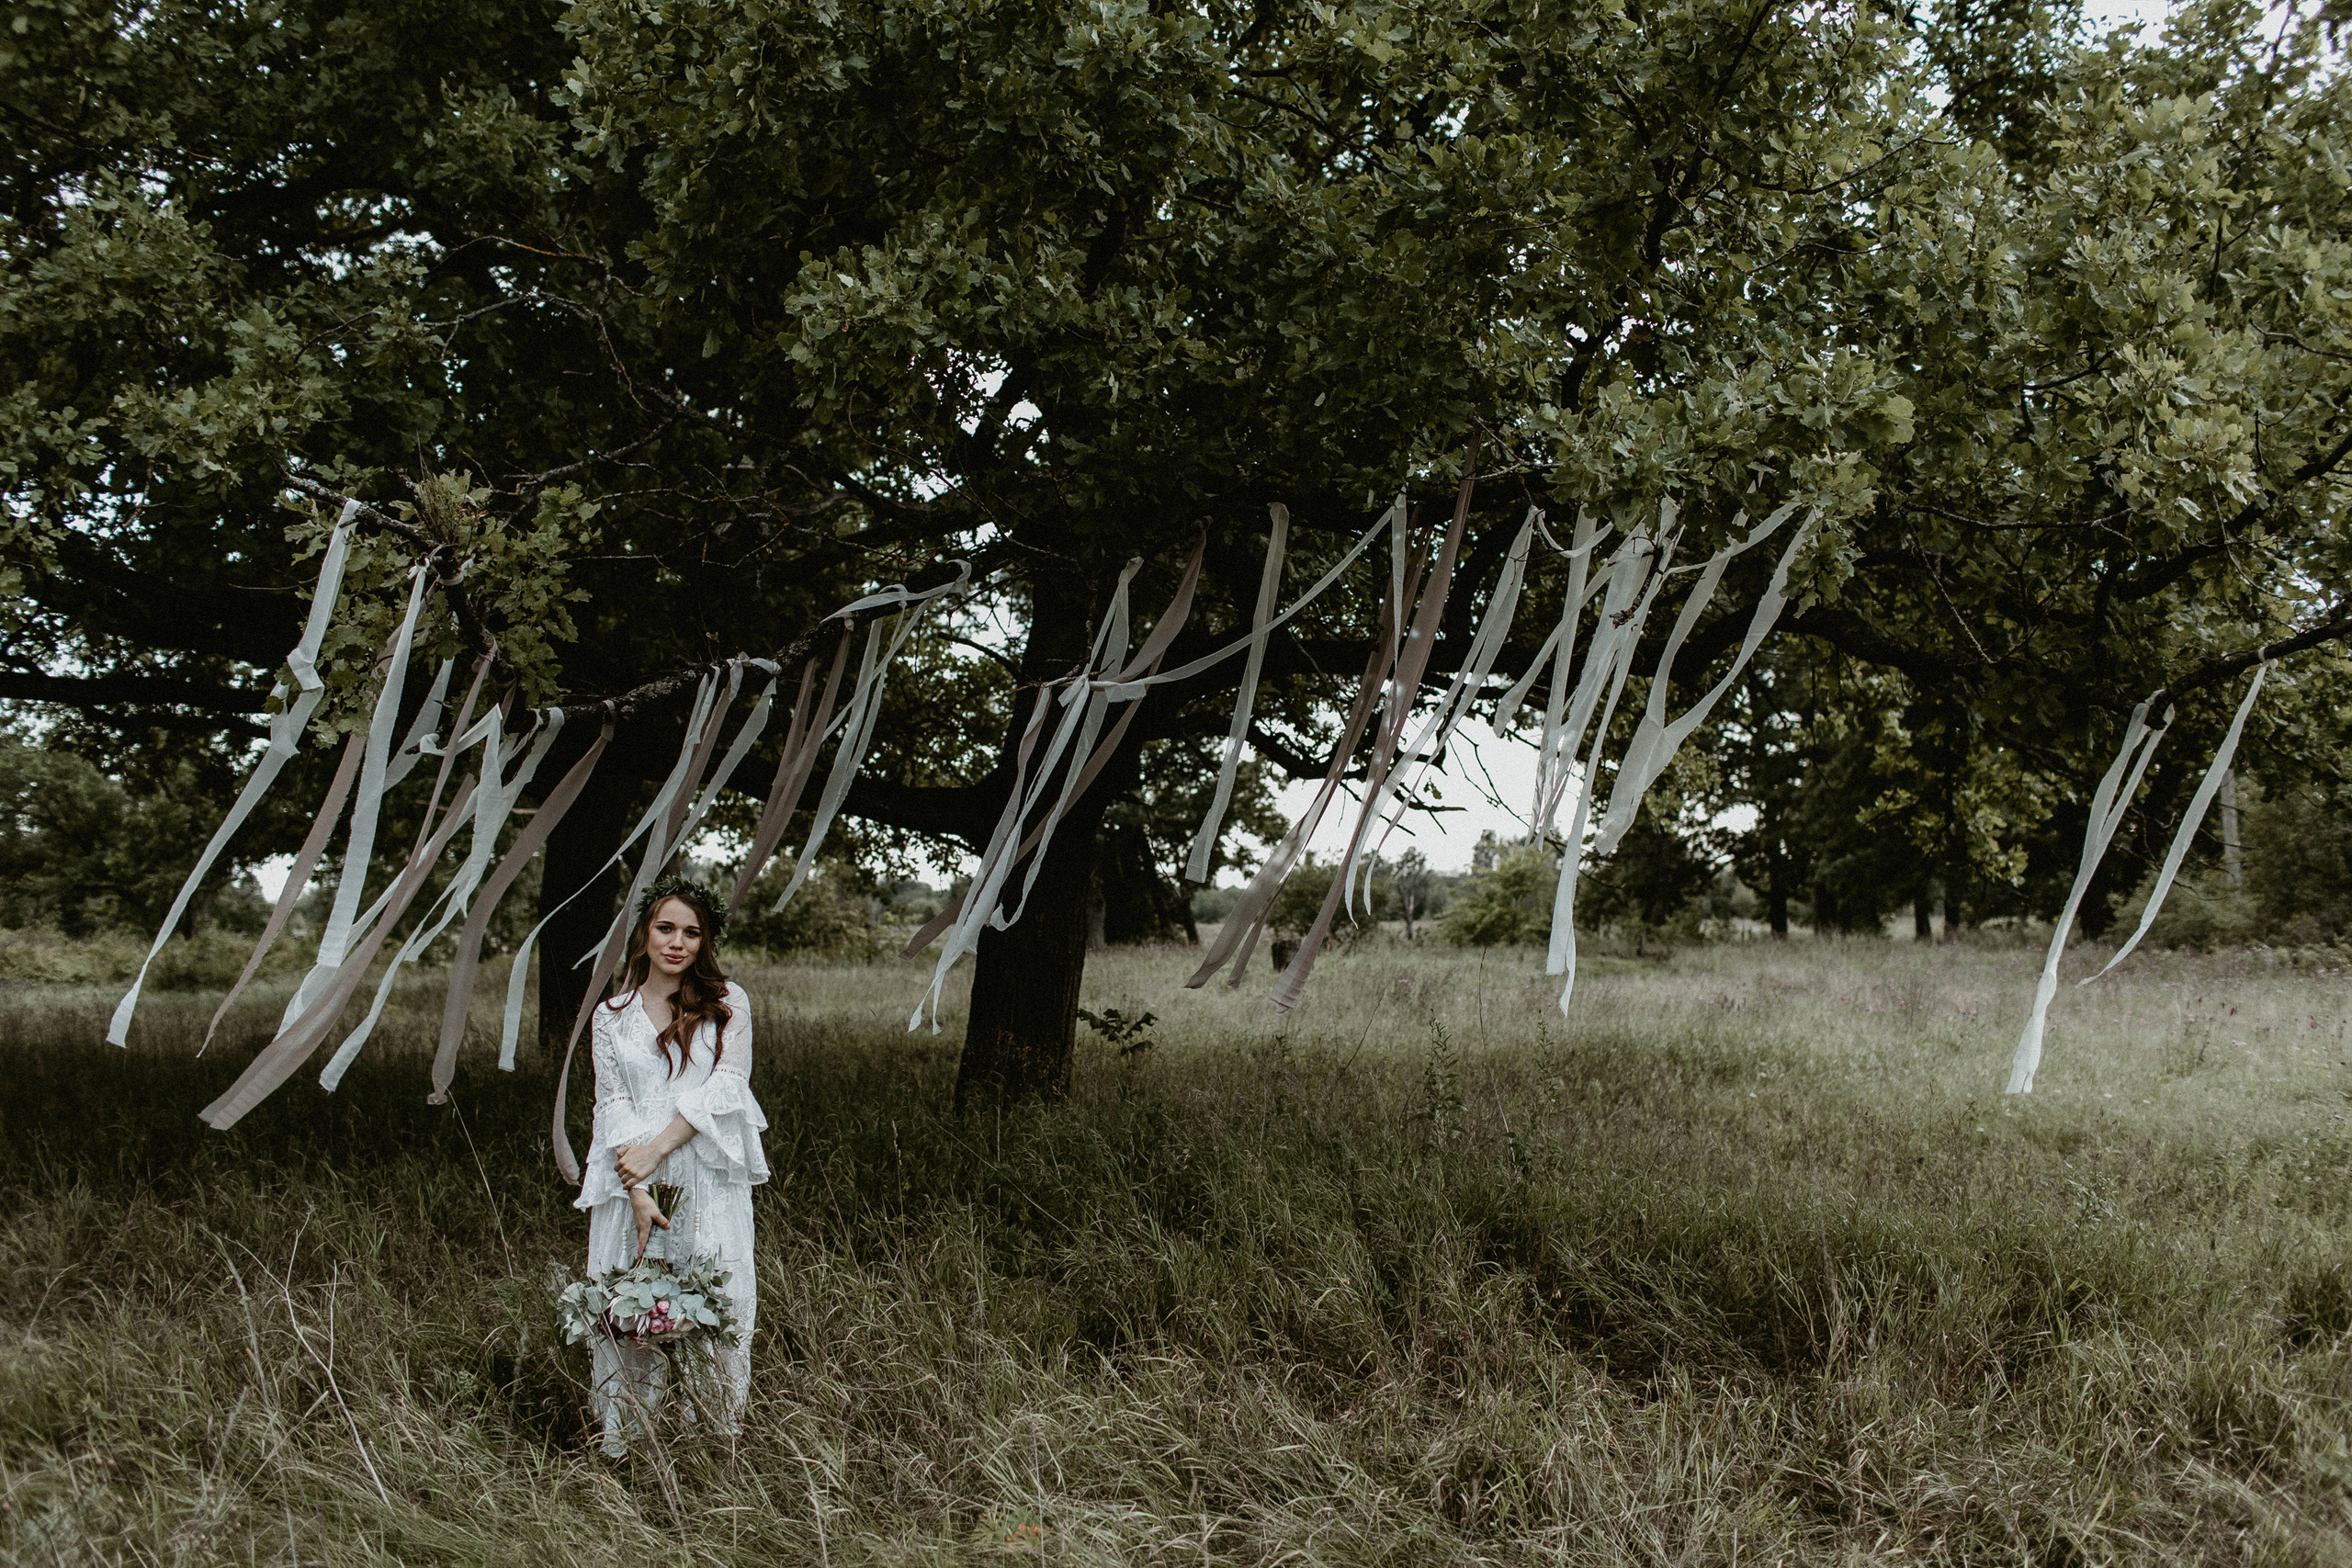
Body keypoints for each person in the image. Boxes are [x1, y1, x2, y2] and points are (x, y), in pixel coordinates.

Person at [576, 874, 769, 1457]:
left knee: (713, 1301)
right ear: (644, 934)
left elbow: (727, 1087)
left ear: (703, 941)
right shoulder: (610, 1016)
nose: (677, 942)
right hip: (632, 1178)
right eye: (666, 928)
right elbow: (611, 1105)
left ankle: (710, 1438)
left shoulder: (728, 1003)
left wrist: (660, 1149)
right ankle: (630, 1444)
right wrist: (637, 1188)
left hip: (703, 1172)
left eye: (691, 932)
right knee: (635, 1305)